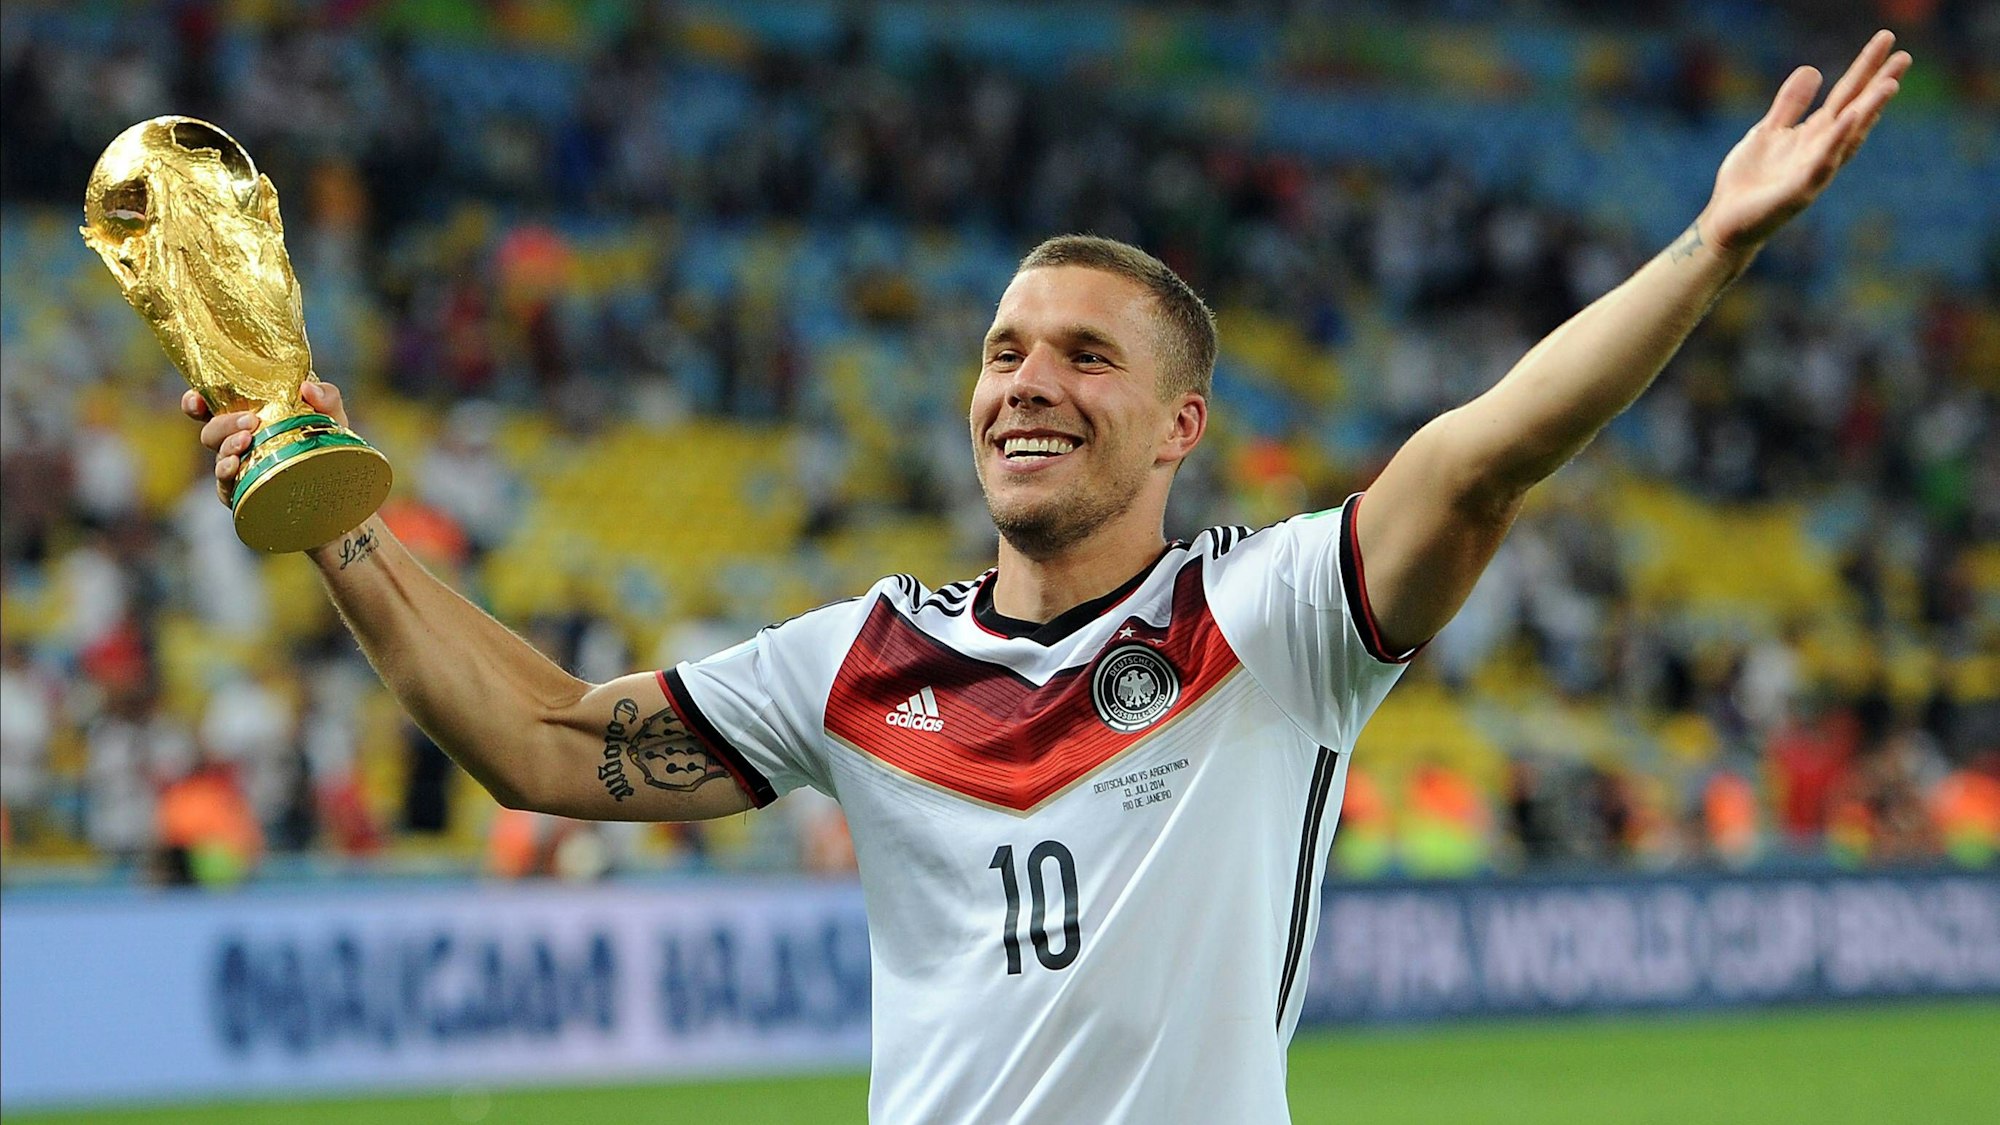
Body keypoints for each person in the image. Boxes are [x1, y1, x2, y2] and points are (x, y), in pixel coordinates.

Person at [183, 33, 1909, 1125]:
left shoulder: (1274, 621)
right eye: (1006, 348)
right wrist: (335, 519)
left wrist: (1706, 247)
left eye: (1085, 355)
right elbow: (553, 741)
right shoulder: (859, 658)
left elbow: (1480, 455)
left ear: (1179, 423)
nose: (1027, 380)